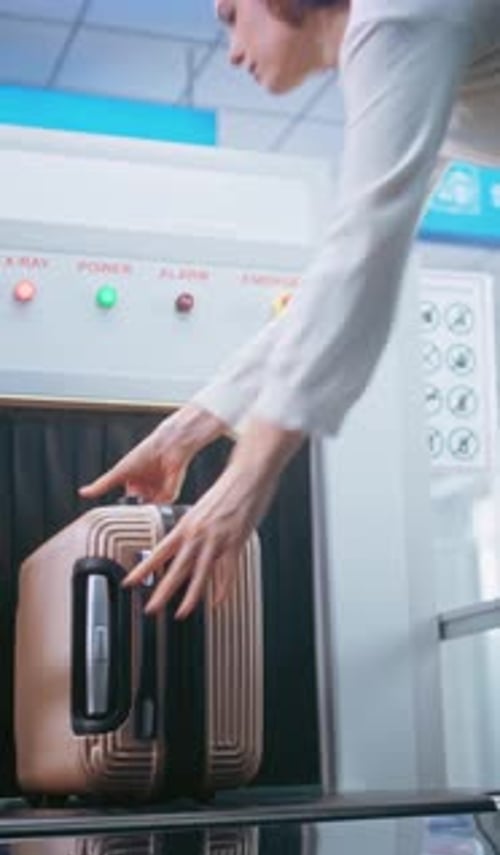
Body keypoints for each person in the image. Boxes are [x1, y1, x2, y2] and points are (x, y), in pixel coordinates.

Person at [80, 0, 500, 618]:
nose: (230, 49)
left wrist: (246, 482)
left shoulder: (392, 18)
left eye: (229, 14)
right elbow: (337, 285)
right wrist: (187, 430)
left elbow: (360, 260)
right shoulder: (407, 43)